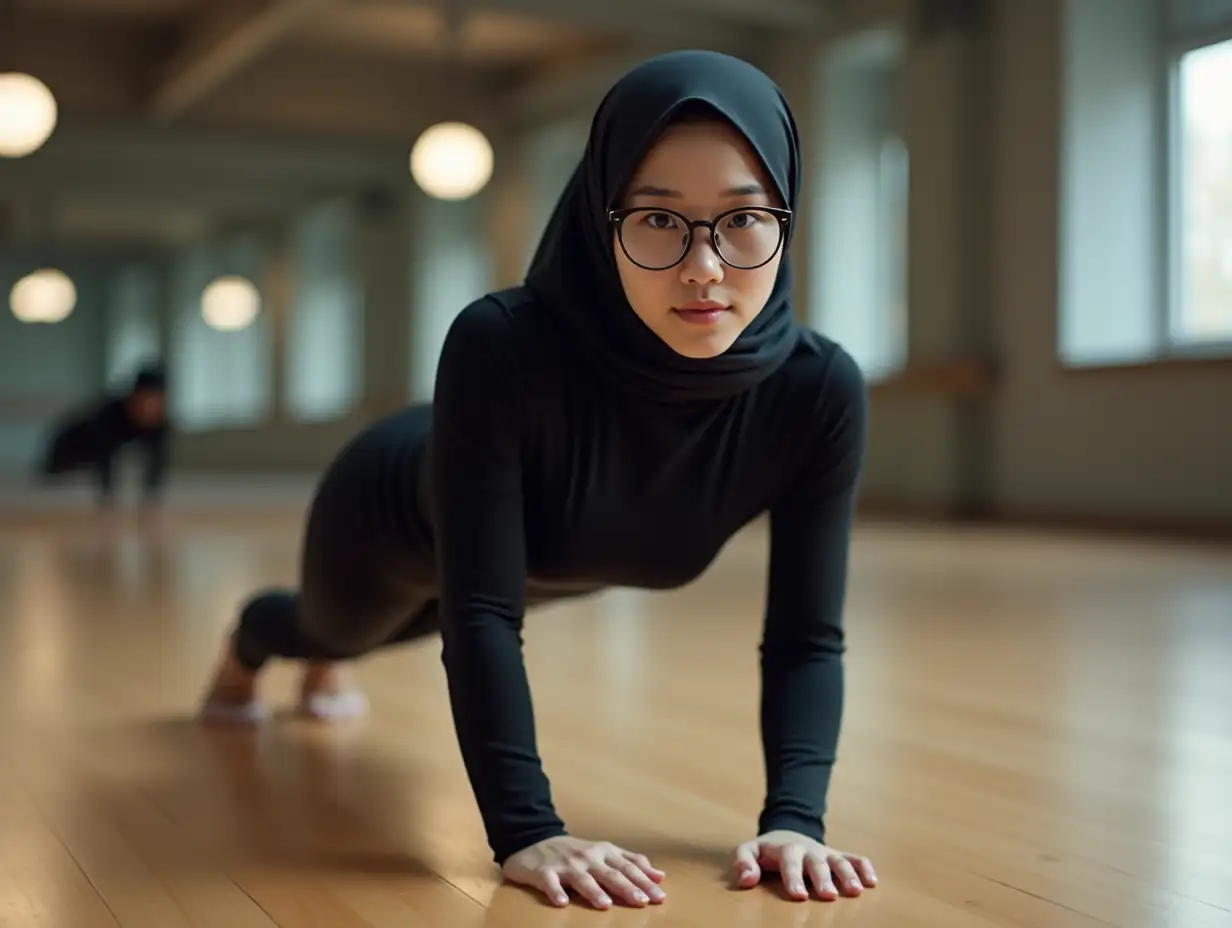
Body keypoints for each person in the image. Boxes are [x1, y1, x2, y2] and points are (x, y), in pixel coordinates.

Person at [199, 49, 877, 909]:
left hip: (548, 558)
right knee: (330, 631)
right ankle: (251, 650)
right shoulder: (502, 343)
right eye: (659, 222)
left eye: (743, 219)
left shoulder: (817, 389)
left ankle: (331, 667)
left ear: (786, 217)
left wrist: (796, 820)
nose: (704, 267)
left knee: (385, 636)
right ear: (605, 221)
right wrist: (527, 830)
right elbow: (480, 611)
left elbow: (806, 636)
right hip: (388, 516)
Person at [37, 363, 172, 514]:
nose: (150, 408)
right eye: (146, 400)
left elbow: (157, 460)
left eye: (156, 402)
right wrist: (108, 498)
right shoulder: (110, 415)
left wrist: (151, 498)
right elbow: (103, 456)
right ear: (134, 396)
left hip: (90, 462)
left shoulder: (158, 421)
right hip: (67, 451)